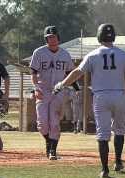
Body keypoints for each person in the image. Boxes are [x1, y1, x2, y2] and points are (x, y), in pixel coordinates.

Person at [53, 24, 125, 178]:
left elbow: (77, 73)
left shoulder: (92, 55)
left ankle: (104, 169)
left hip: (101, 97)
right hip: (119, 96)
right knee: (119, 129)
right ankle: (119, 161)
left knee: (103, 133)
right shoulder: (123, 55)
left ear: (99, 36)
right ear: (113, 36)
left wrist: (61, 84)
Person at [30, 25, 79, 160]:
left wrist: (77, 89)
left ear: (58, 38)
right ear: (46, 39)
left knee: (55, 122)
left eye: (54, 37)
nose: (52, 40)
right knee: (42, 124)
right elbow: (33, 72)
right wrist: (35, 87)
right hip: (42, 89)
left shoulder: (65, 54)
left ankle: (52, 150)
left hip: (58, 91)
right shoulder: (39, 52)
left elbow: (70, 73)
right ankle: (48, 141)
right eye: (49, 37)